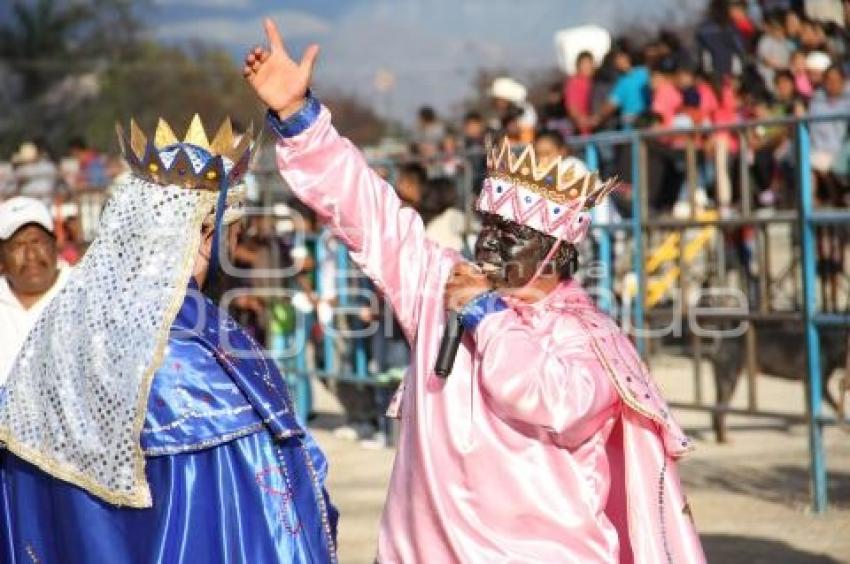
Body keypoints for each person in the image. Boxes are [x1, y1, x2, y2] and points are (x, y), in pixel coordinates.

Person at [245, 18, 706, 563]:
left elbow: (551, 398)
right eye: (488, 230)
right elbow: (369, 211)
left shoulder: (592, 338)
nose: (489, 246)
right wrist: (300, 121)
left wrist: (486, 317)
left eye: (511, 237)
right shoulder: (438, 282)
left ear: (555, 255)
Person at [0, 116, 338, 562]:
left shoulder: (59, 330)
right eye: (229, 231)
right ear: (201, 231)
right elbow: (263, 511)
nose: (234, 248)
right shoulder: (189, 353)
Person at [0, 197, 69, 385]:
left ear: (55, 243)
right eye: (18, 246)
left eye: (37, 241)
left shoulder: (84, 296)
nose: (31, 255)